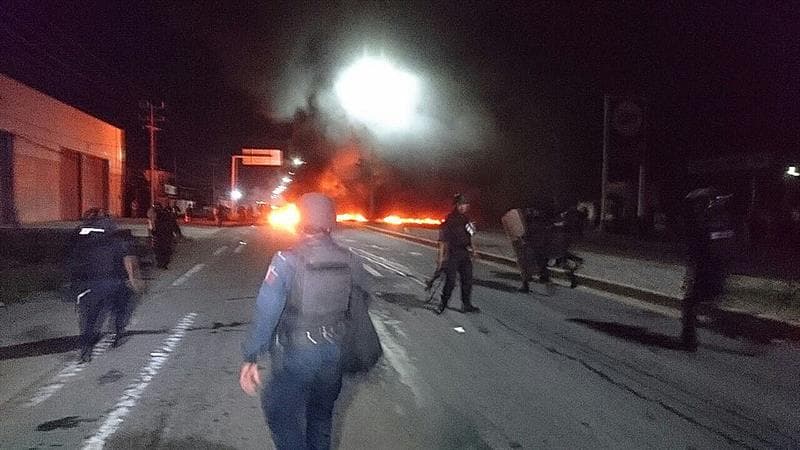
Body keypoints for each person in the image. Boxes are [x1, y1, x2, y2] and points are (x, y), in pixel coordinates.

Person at [240, 193, 361, 450]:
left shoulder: (286, 260)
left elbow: (266, 311)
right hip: (334, 352)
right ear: (331, 221)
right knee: (321, 415)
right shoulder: (349, 259)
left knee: (279, 412)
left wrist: (251, 356)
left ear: (301, 221)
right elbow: (359, 304)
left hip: (298, 354)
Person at [66, 208, 145, 362]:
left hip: (89, 284)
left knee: (89, 319)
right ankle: (118, 334)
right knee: (121, 308)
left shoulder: (81, 238)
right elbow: (127, 259)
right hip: (114, 281)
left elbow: (71, 260)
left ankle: (86, 350)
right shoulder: (115, 238)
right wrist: (132, 279)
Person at [681, 187, 734, 351]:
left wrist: (690, 274)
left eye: (697, 204)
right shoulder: (724, 221)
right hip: (720, 269)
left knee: (689, 303)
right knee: (709, 299)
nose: (694, 207)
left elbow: (695, 250)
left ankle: (689, 339)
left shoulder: (702, 222)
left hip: (704, 270)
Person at [435, 193, 480, 314]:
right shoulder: (450, 219)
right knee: (450, 281)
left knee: (467, 280)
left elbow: (471, 236)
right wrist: (440, 259)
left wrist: (474, 250)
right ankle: (443, 303)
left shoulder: (466, 219)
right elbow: (443, 240)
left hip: (464, 253)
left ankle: (466, 304)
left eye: (465, 204)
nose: (462, 207)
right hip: (452, 254)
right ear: (456, 205)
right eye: (460, 204)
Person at [149, 203, 174, 269]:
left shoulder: (157, 215)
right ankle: (163, 263)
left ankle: (161, 263)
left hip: (161, 235)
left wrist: (153, 232)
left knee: (160, 250)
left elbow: (154, 226)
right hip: (164, 235)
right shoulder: (163, 214)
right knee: (164, 250)